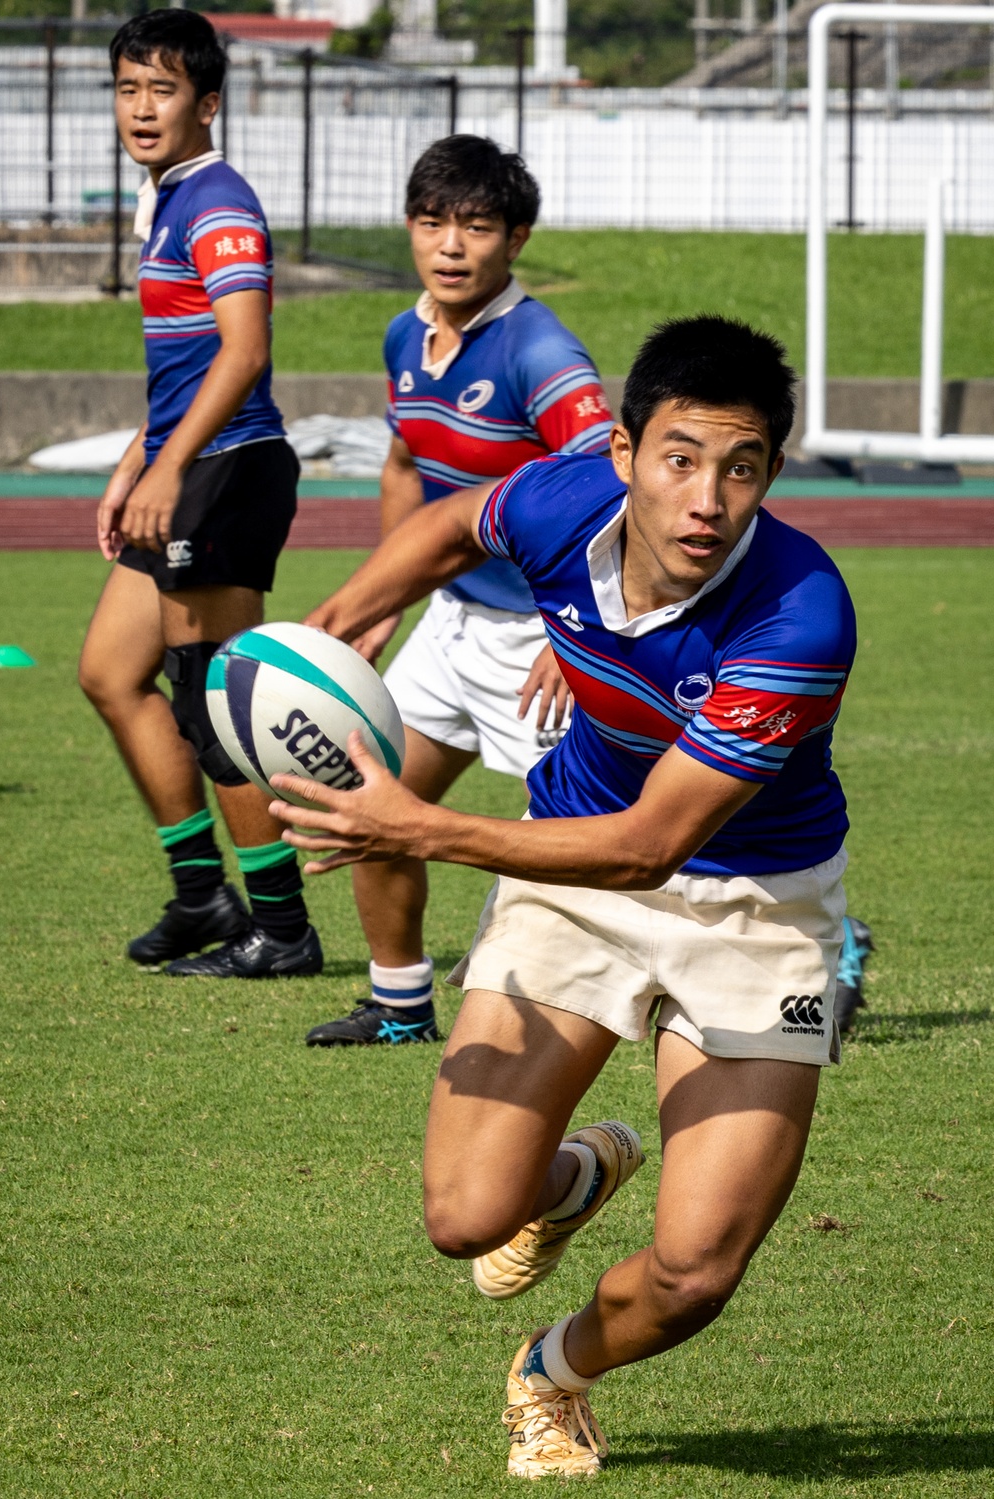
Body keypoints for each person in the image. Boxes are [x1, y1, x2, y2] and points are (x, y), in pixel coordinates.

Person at [269, 316, 859, 1478]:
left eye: (740, 468)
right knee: (464, 1218)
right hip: (567, 873)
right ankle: (577, 1173)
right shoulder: (557, 501)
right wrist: (338, 625)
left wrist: (423, 828)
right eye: (680, 458)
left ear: (770, 475)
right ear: (626, 451)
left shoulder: (802, 614)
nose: (706, 499)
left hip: (755, 907)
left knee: (696, 1271)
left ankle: (554, 1370)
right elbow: (450, 523)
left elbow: (650, 846)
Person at [302, 135, 613, 1046]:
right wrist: (393, 595)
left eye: (476, 226)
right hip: (450, 623)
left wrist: (576, 633)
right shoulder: (408, 333)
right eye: (433, 222)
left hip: (540, 641)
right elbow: (406, 460)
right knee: (371, 790)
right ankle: (399, 1005)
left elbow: (610, 490)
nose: (450, 244)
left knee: (588, 841)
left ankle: (821, 934)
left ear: (516, 237)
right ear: (409, 227)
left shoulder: (541, 351)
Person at [78, 9, 321, 979]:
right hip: (189, 462)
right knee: (108, 672)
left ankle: (282, 924)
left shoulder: (216, 199)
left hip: (227, 471)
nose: (142, 107)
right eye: (128, 87)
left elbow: (245, 349)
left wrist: (171, 467)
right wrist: (136, 458)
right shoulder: (170, 197)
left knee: (209, 704)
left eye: (163, 89)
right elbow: (183, 366)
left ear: (207, 103)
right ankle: (201, 894)